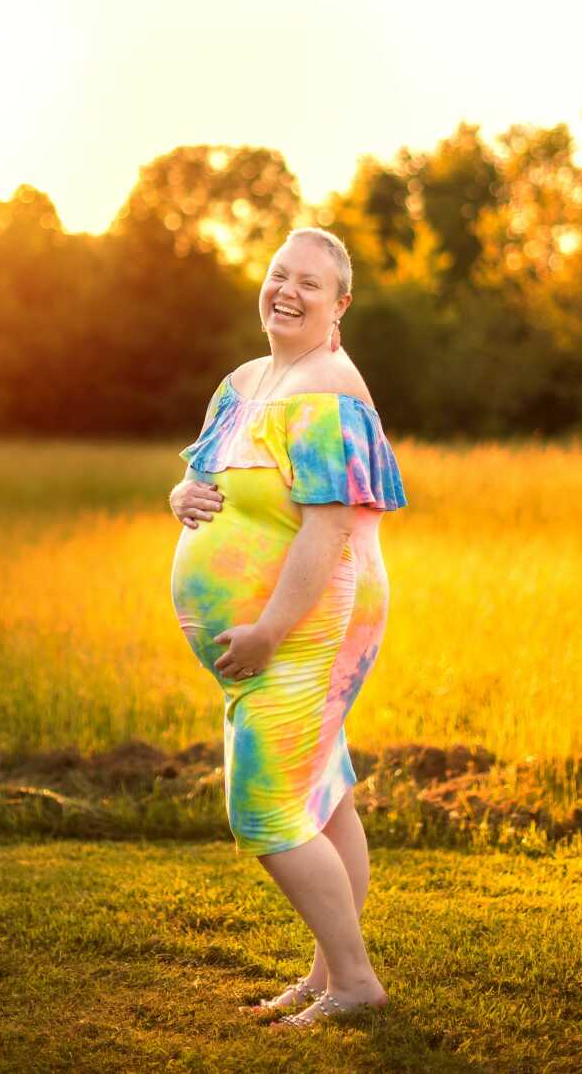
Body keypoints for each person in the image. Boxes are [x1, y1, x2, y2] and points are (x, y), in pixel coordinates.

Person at [168, 226, 407, 1031]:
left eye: (310, 283)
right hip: (283, 622)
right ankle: (326, 975)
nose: (288, 291)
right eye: (279, 275)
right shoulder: (246, 381)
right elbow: (200, 479)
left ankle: (354, 983)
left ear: (338, 306)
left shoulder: (328, 389)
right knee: (326, 796)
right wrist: (182, 500)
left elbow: (329, 529)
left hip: (315, 620)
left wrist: (269, 628)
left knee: (267, 811)